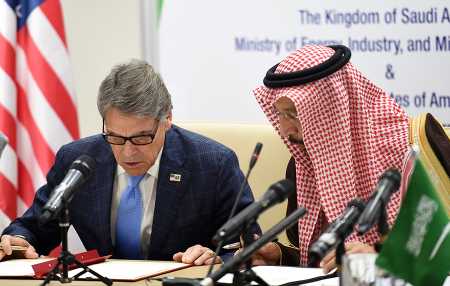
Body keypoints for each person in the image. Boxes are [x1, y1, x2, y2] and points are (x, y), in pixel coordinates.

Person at [0, 59, 257, 265]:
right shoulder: (78, 159)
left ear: (167, 118)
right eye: (115, 137)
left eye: (142, 137)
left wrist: (216, 257)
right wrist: (17, 242)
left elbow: (247, 246)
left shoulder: (213, 164)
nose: (128, 153)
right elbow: (35, 227)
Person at [250, 45, 412, 272]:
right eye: (280, 114)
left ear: (331, 106)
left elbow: (439, 248)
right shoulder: (303, 159)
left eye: (293, 114)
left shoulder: (412, 149)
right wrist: (279, 256)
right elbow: (320, 260)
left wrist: (379, 259)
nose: (285, 129)